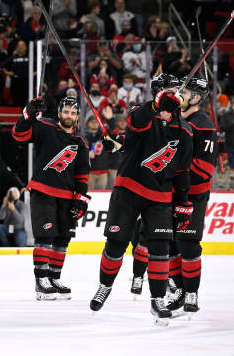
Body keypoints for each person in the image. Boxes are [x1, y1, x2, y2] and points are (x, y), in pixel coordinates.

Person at [90, 73, 193, 325]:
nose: (175, 94)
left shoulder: (186, 131)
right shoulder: (144, 114)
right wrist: (155, 105)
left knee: (159, 248)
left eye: (175, 91)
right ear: (158, 92)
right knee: (116, 242)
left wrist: (183, 201)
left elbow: (181, 171)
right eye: (168, 90)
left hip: (160, 196)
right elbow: (135, 124)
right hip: (129, 189)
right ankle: (105, 286)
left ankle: (158, 300)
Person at [12, 96, 91, 300]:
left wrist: (81, 198)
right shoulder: (45, 127)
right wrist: (28, 115)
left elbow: (82, 173)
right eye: (66, 112)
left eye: (73, 113)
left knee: (63, 239)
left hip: (66, 196)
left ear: (77, 116)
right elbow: (19, 135)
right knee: (45, 236)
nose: (69, 116)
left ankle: (54, 277)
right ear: (59, 113)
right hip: (43, 191)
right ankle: (41, 280)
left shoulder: (80, 142)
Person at [165, 78, 217, 314]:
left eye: (184, 93)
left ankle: (192, 293)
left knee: (187, 244)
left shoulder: (203, 125)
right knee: (170, 244)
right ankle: (181, 290)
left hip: (192, 195)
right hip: (171, 194)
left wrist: (174, 174)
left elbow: (204, 169)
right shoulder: (177, 120)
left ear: (195, 98)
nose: (179, 95)